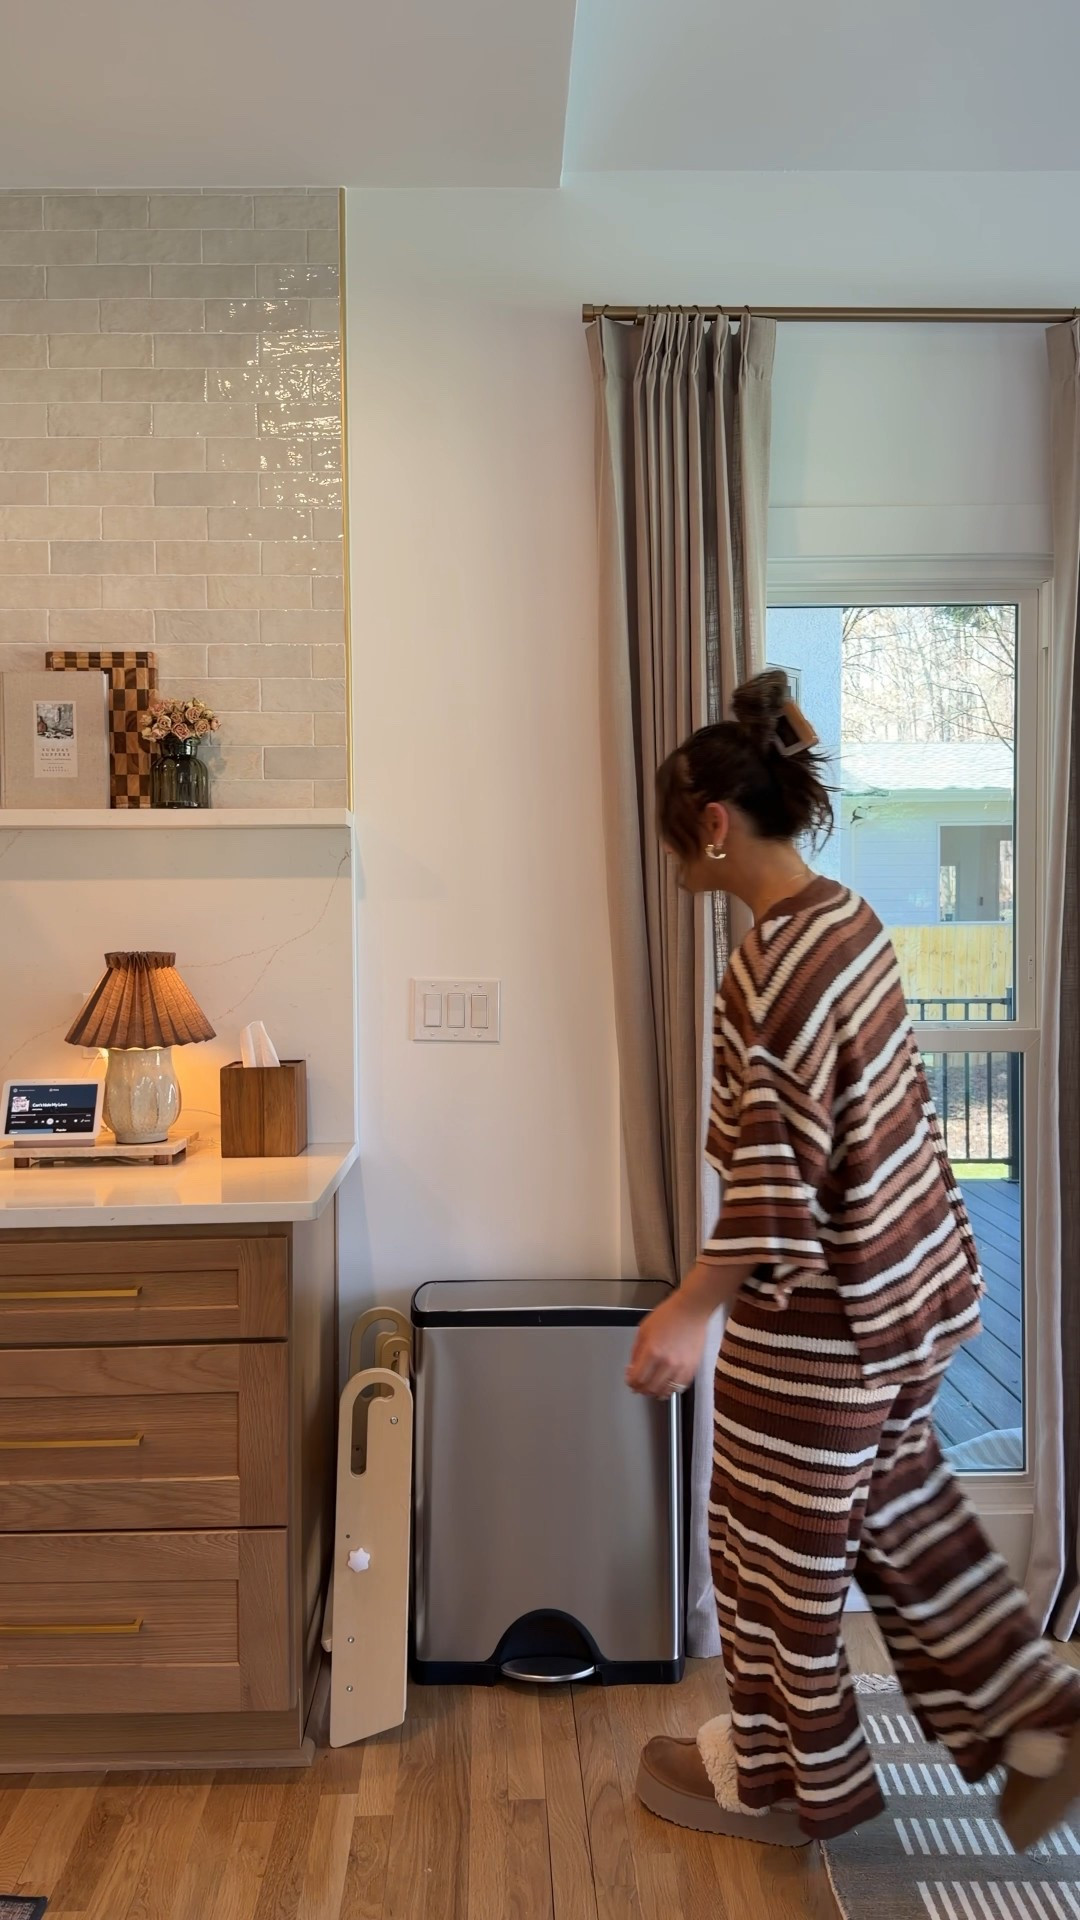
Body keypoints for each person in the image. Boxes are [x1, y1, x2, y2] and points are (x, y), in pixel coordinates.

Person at [627, 668, 1080, 1849]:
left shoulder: (766, 968)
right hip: (919, 1295)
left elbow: (778, 1178)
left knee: (768, 1551)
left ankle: (786, 1786)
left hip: (827, 1321)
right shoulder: (850, 919)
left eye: (677, 836)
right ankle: (1045, 1724)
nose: (674, 860)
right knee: (898, 1517)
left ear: (714, 826)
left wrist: (688, 1309)